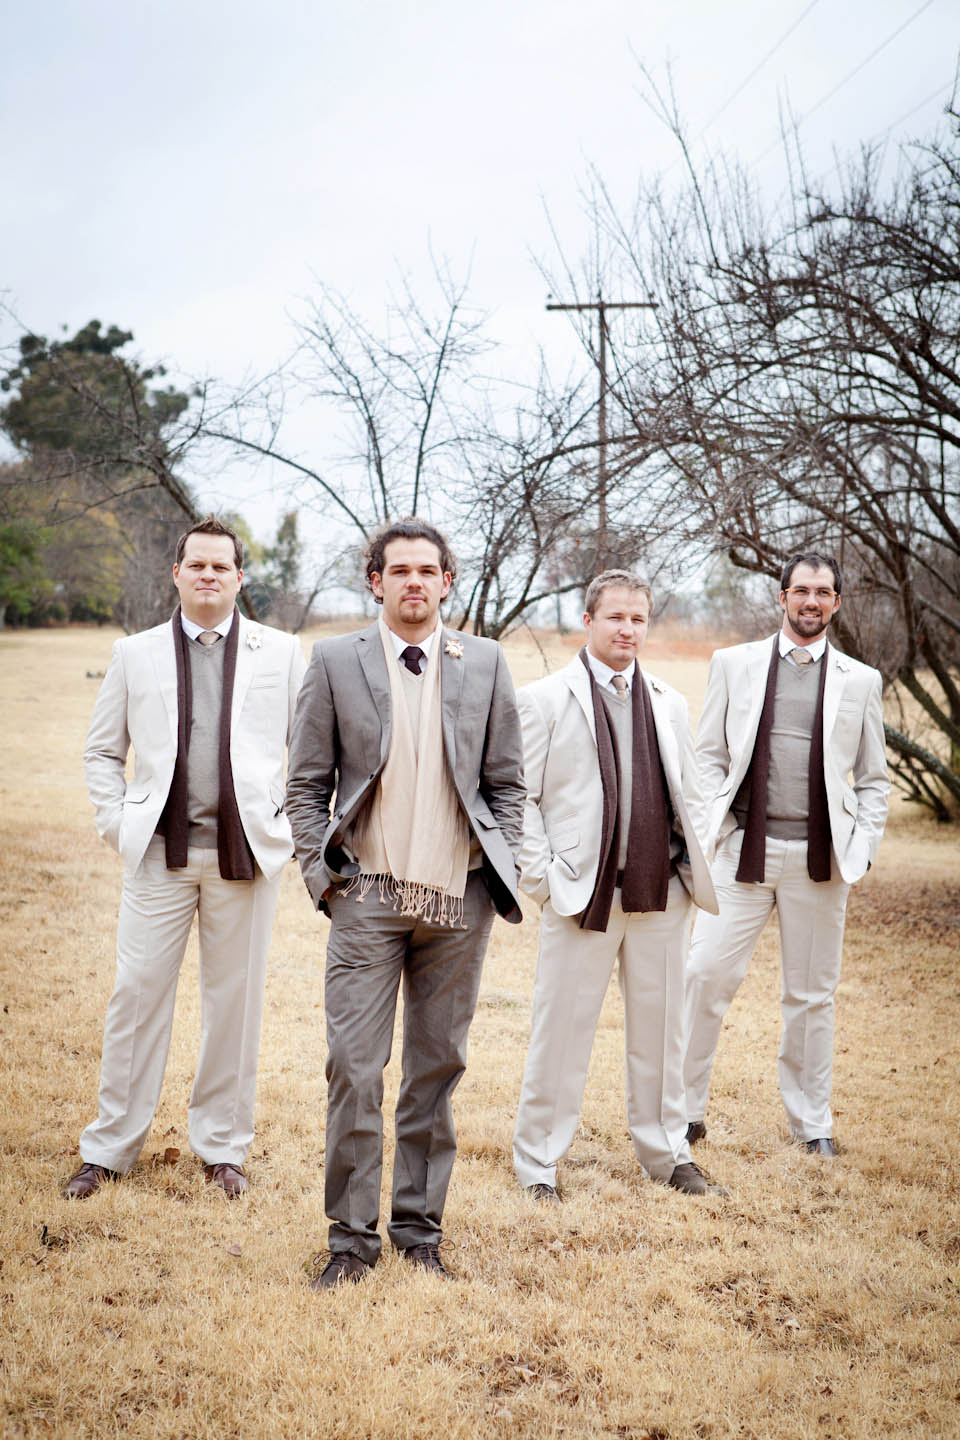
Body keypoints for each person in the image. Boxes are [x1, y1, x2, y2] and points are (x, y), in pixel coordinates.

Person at [285, 517, 525, 1287]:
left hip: (459, 900)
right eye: (400, 570)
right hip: (368, 894)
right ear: (376, 581)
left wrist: (499, 866)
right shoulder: (335, 661)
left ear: (447, 582)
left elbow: (507, 783)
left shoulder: (485, 661)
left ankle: (420, 1234)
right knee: (354, 1069)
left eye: (428, 570)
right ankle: (350, 1244)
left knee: (436, 1068)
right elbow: (305, 784)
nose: (414, 582)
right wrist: (324, 879)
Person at [65, 516, 305, 1199]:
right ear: (176, 573)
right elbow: (102, 751)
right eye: (196, 564)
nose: (208, 575)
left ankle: (222, 1149)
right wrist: (118, 824)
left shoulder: (282, 653)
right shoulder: (134, 653)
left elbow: (312, 752)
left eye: (220, 566)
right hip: (158, 856)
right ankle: (109, 1149)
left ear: (239, 577)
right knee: (136, 997)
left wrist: (285, 827)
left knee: (235, 1007)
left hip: (246, 857)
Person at [512, 570, 723, 1202]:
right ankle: (539, 1164)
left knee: (663, 1033)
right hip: (582, 895)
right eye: (615, 617)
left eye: (638, 619)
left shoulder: (668, 701)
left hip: (662, 894)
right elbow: (519, 799)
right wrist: (544, 881)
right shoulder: (545, 699)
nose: (627, 629)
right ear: (589, 620)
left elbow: (690, 794)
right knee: (561, 1032)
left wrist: (692, 867)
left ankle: (668, 1154)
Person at [683, 552, 889, 1156]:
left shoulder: (861, 681)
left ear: (836, 603)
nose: (811, 601)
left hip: (821, 860)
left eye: (823, 592)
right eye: (801, 590)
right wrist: (714, 827)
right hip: (741, 850)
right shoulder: (733, 664)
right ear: (782, 597)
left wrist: (862, 849)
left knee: (811, 996)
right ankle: (683, 1112)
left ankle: (811, 1124)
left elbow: (874, 779)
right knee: (704, 974)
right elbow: (708, 755)